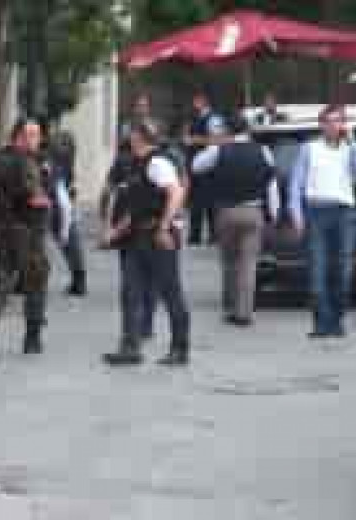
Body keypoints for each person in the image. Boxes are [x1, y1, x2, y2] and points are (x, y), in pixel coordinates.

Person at [100, 120, 191, 366]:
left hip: (157, 236)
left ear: (138, 137)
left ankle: (180, 348)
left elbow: (176, 193)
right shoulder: (136, 164)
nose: (129, 138)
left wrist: (164, 227)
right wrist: (115, 233)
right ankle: (130, 347)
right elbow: (136, 207)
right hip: (137, 236)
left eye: (132, 134)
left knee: (170, 292)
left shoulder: (157, 162)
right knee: (130, 292)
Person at [289, 104, 356, 338]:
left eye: (338, 121)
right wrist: (296, 214)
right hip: (316, 212)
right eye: (329, 121)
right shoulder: (309, 148)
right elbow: (296, 182)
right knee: (318, 269)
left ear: (343, 124)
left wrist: (353, 142)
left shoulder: (349, 149)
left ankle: (336, 319)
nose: (333, 125)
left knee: (343, 270)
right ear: (321, 124)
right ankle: (321, 323)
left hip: (344, 213)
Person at [0, 119, 51, 358]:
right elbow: (34, 198)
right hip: (26, 230)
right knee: (35, 282)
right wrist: (45, 201)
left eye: (38, 135)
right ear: (19, 137)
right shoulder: (28, 163)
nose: (37, 140)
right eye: (33, 135)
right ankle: (32, 338)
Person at [192, 117, 279, 326]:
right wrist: (274, 212)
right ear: (248, 131)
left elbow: (196, 167)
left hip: (226, 211)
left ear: (228, 131)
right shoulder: (263, 151)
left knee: (230, 262)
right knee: (249, 264)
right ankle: (244, 312)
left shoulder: (219, 150)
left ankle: (230, 306)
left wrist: (214, 144)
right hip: (253, 211)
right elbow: (271, 183)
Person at [49, 129, 88, 296]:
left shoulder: (55, 165)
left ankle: (79, 280)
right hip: (60, 206)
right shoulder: (66, 164)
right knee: (71, 243)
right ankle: (79, 280)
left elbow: (63, 197)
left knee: (65, 241)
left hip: (53, 207)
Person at [184, 90, 225, 245]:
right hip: (194, 164)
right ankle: (194, 235)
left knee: (210, 201)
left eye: (197, 101)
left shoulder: (214, 118)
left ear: (204, 101)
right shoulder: (194, 118)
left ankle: (214, 235)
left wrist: (196, 140)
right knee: (195, 202)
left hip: (209, 165)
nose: (194, 104)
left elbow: (218, 139)